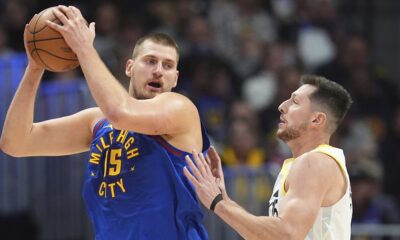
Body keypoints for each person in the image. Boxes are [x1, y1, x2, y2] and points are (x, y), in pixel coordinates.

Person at [0, 5, 210, 240]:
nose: (158, 71)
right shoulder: (97, 122)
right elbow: (16, 142)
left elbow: (120, 113)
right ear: (130, 67)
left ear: (176, 78)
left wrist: (83, 48)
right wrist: (36, 67)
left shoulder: (181, 109)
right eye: (150, 61)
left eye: (168, 65)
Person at [184, 75, 353, 239]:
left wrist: (218, 203)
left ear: (316, 119)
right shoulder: (306, 163)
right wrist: (224, 200)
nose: (282, 106)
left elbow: (287, 234)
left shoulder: (316, 161)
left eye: (294, 102)